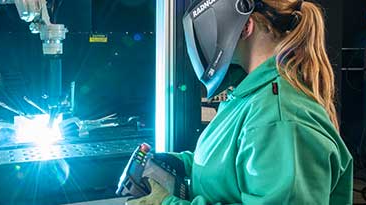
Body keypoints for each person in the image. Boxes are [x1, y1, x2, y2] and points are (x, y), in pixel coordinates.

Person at [127, 0, 353, 204]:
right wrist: (182, 164)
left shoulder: (280, 118)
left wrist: (166, 203)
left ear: (246, 26)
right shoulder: (248, 96)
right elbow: (231, 168)